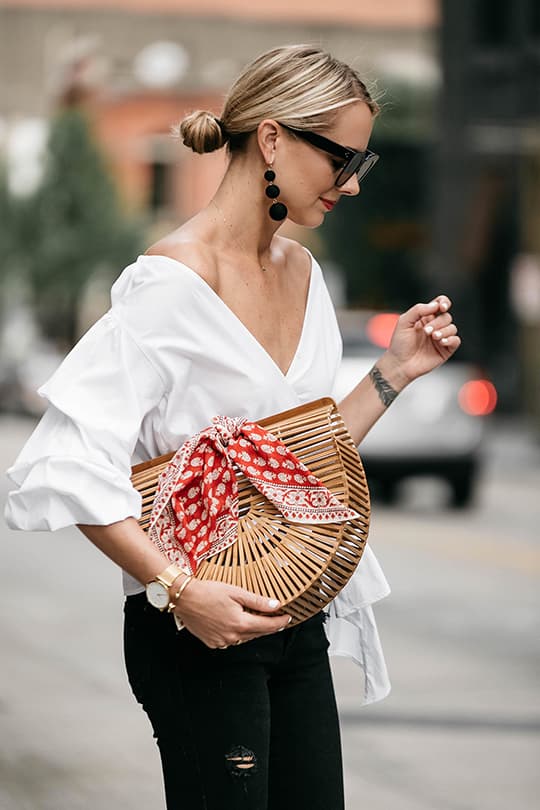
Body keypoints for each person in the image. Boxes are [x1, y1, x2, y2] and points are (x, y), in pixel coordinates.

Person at [5, 44, 461, 810]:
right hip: (197, 629)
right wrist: (179, 592)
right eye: (340, 159)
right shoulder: (170, 283)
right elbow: (66, 465)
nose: (351, 184)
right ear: (274, 138)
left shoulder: (304, 275)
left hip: (295, 613)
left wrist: (395, 372)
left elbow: (299, 461)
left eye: (363, 162)